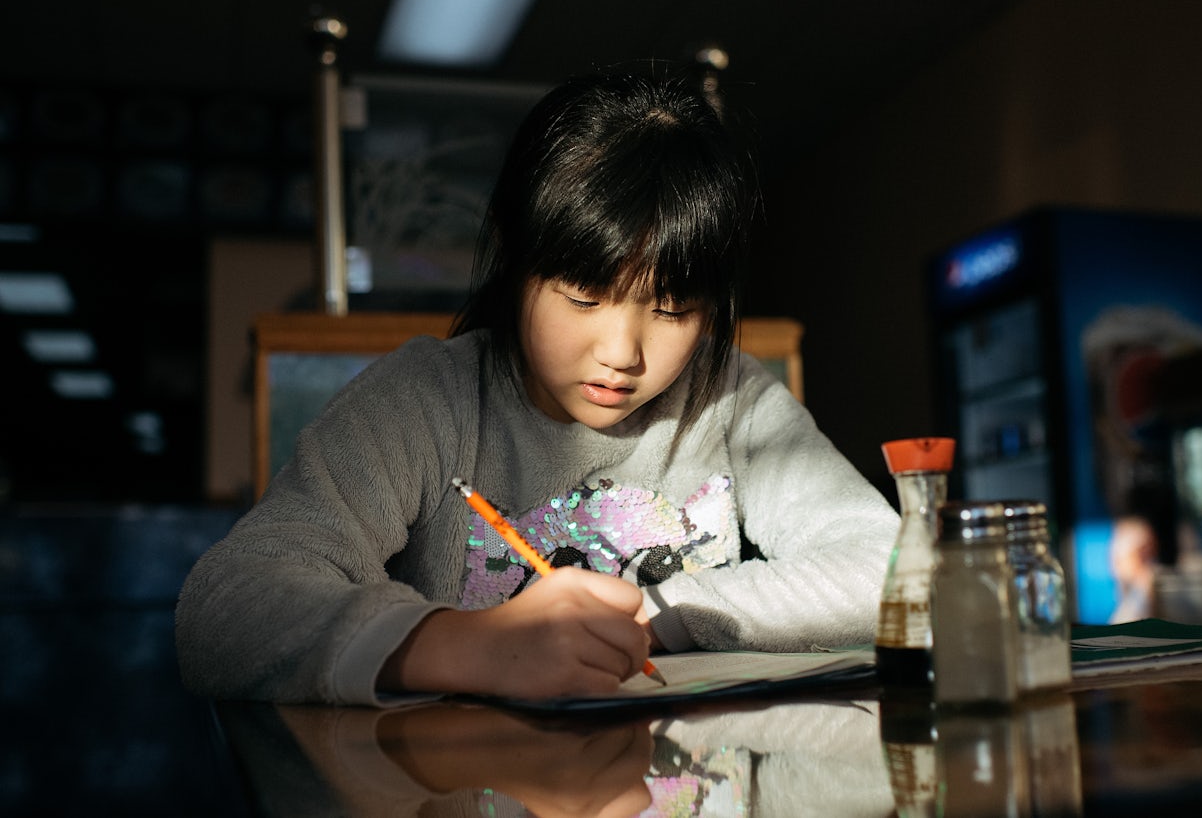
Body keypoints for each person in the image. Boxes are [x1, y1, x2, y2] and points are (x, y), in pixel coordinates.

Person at [175, 68, 899, 706]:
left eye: (674, 308)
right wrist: (468, 647)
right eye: (584, 294)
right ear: (513, 256)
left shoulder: (729, 397)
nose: (622, 353)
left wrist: (652, 611)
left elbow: (893, 569)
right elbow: (226, 607)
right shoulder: (430, 400)